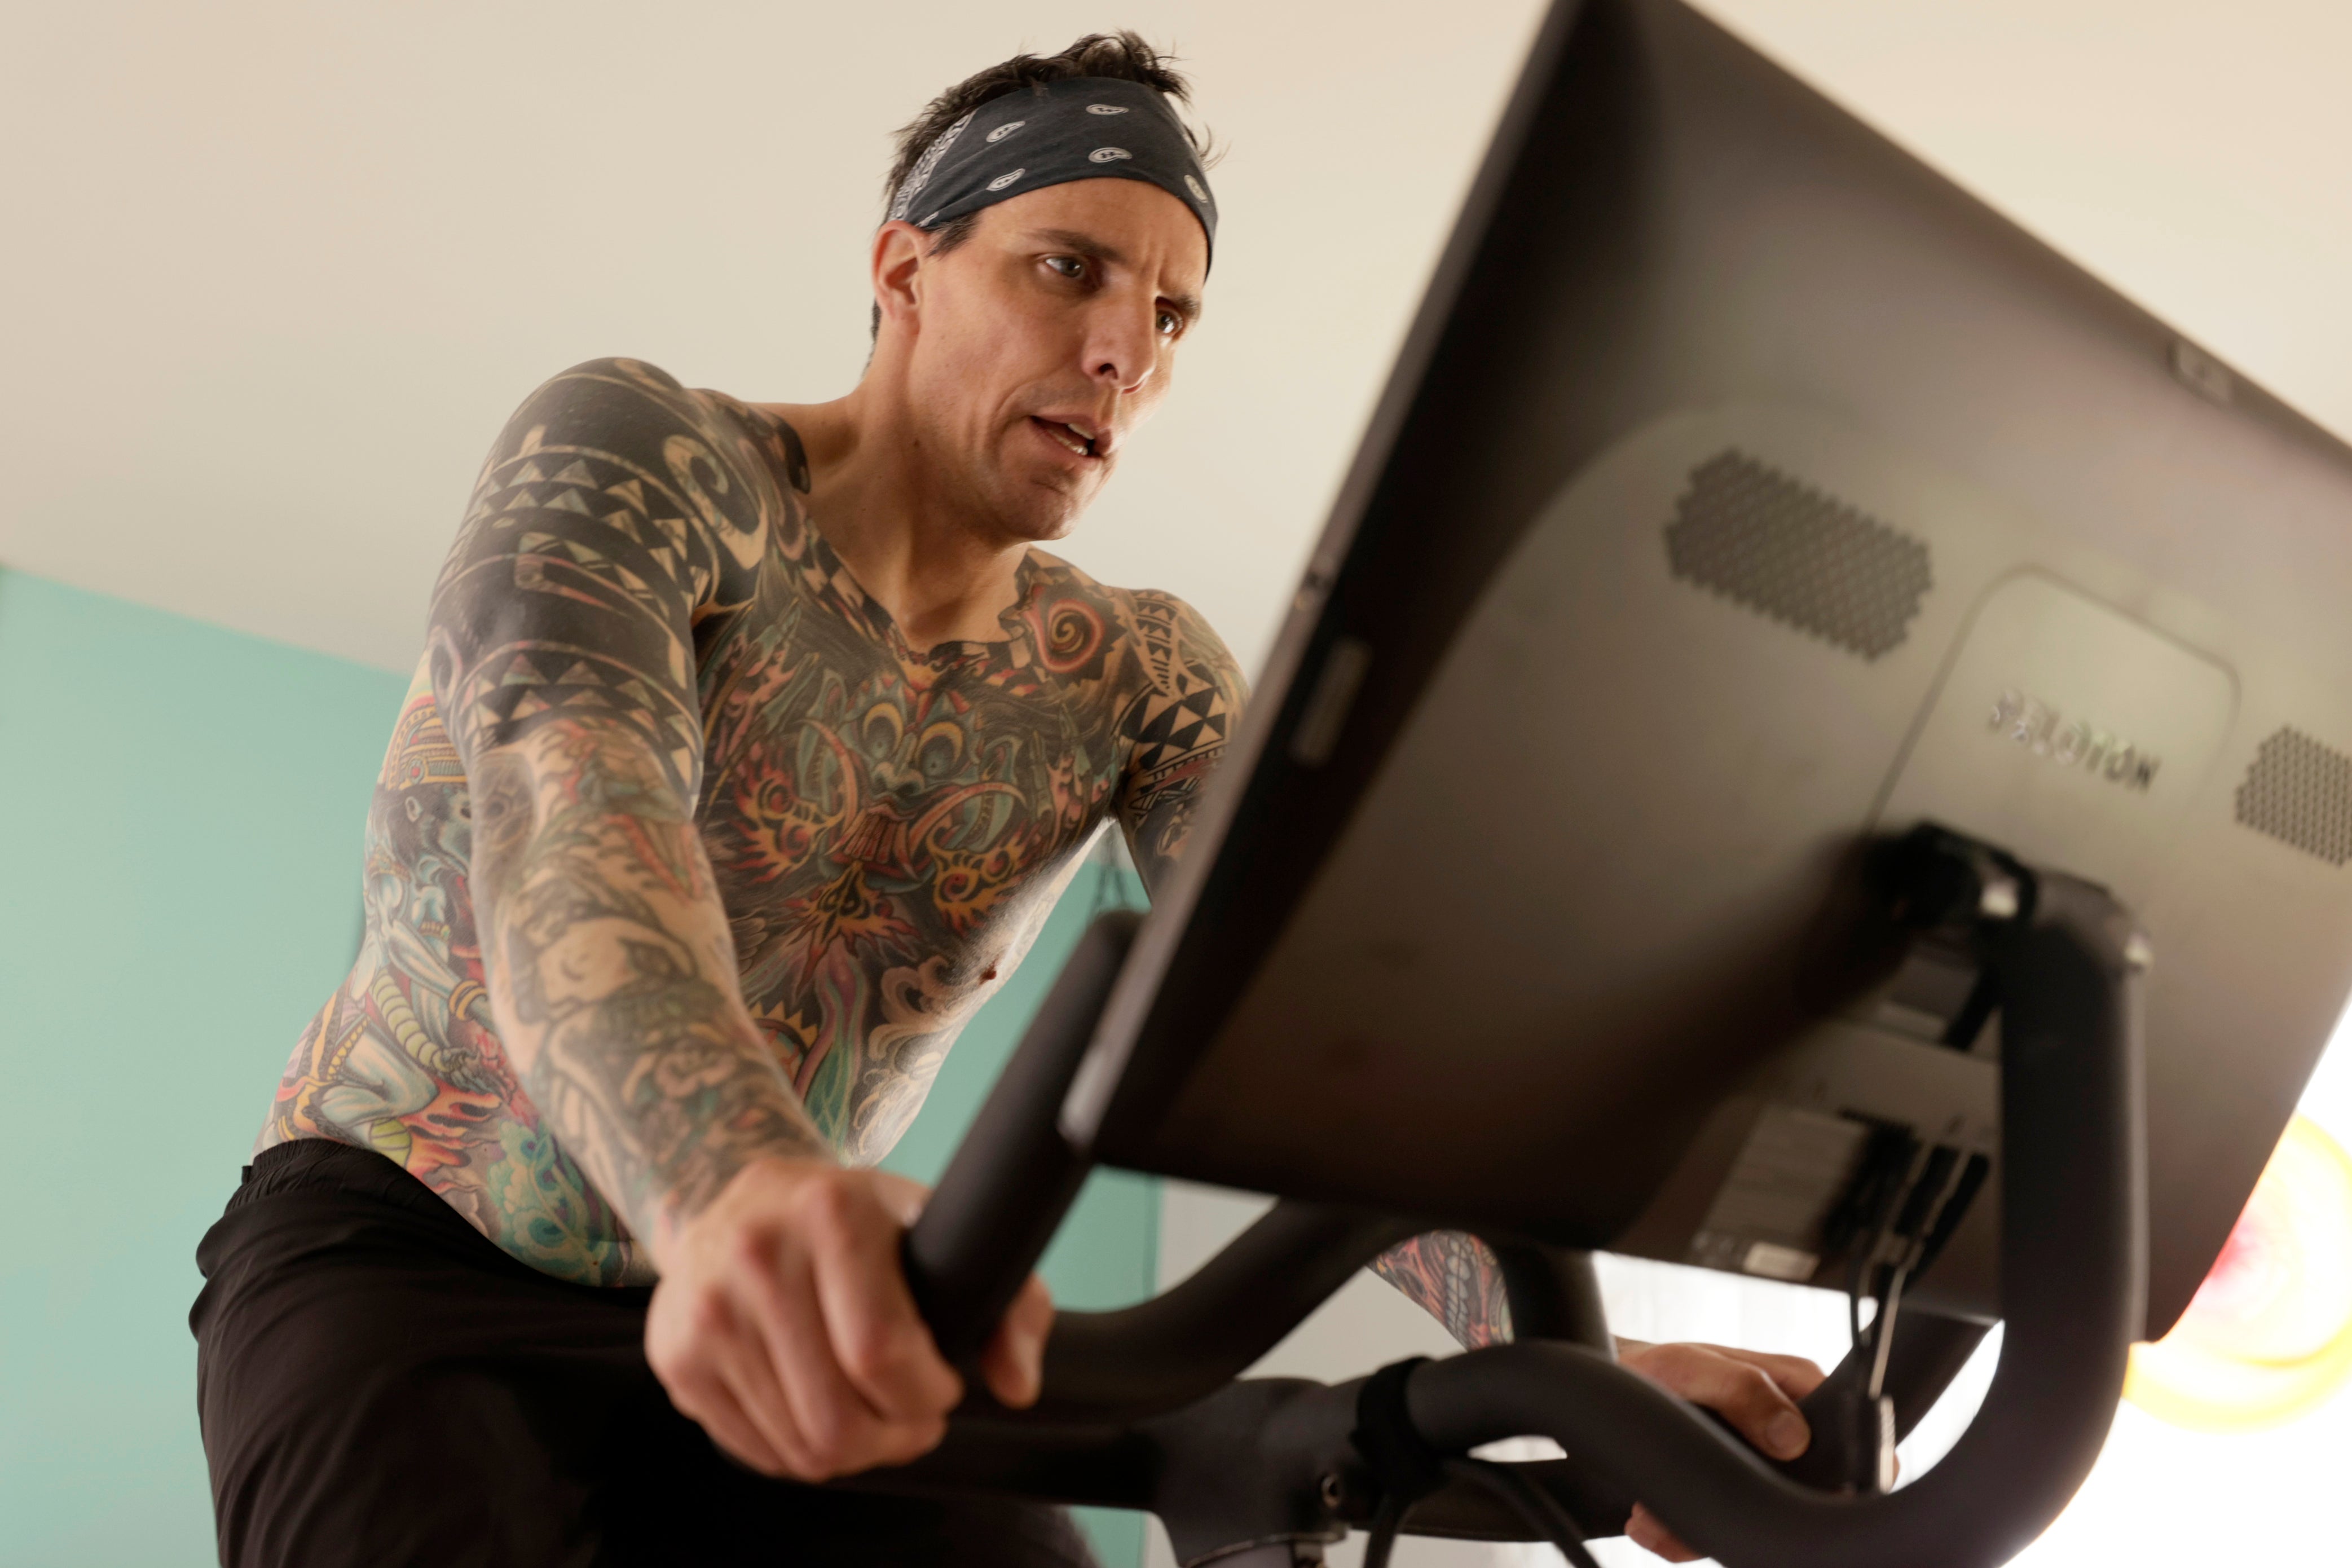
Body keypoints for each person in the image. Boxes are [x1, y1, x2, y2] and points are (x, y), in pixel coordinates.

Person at [191, 31, 1820, 1568]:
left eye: (1173, 315)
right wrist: (739, 1189)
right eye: (1070, 268)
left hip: (810, 1295)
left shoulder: (1136, 680)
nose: (1124, 347)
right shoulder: (647, 456)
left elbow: (1300, 1056)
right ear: (903, 266)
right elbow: (569, 818)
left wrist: (1579, 1369)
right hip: (412, 1261)